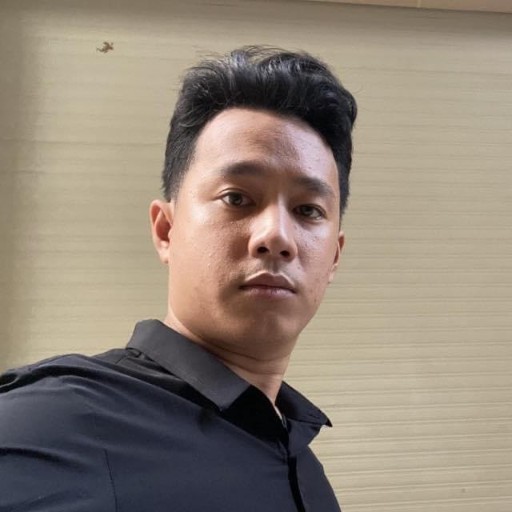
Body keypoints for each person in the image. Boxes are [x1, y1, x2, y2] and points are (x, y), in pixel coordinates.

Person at [0, 46, 357, 511]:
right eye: (237, 198)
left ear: (334, 257)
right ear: (166, 230)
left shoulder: (300, 458)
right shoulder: (58, 423)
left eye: (308, 210)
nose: (276, 236)